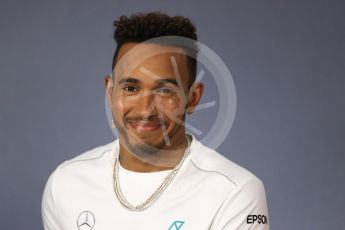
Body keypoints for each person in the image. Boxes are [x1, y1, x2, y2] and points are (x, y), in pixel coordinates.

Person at [42, 12, 269, 230]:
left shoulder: (235, 192)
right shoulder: (65, 184)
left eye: (165, 91)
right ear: (110, 92)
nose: (145, 109)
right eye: (131, 88)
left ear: (193, 98)